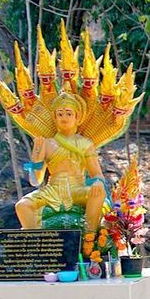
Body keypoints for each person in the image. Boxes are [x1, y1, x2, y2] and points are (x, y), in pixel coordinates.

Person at [16, 92, 107, 232]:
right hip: (53, 189)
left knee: (98, 193)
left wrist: (96, 183)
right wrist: (35, 160)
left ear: (78, 117)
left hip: (78, 188)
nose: (64, 117)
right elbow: (36, 181)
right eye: (60, 114)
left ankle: (90, 236)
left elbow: (97, 175)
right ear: (54, 117)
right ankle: (34, 241)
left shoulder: (85, 144)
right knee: (22, 206)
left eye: (69, 114)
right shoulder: (46, 144)